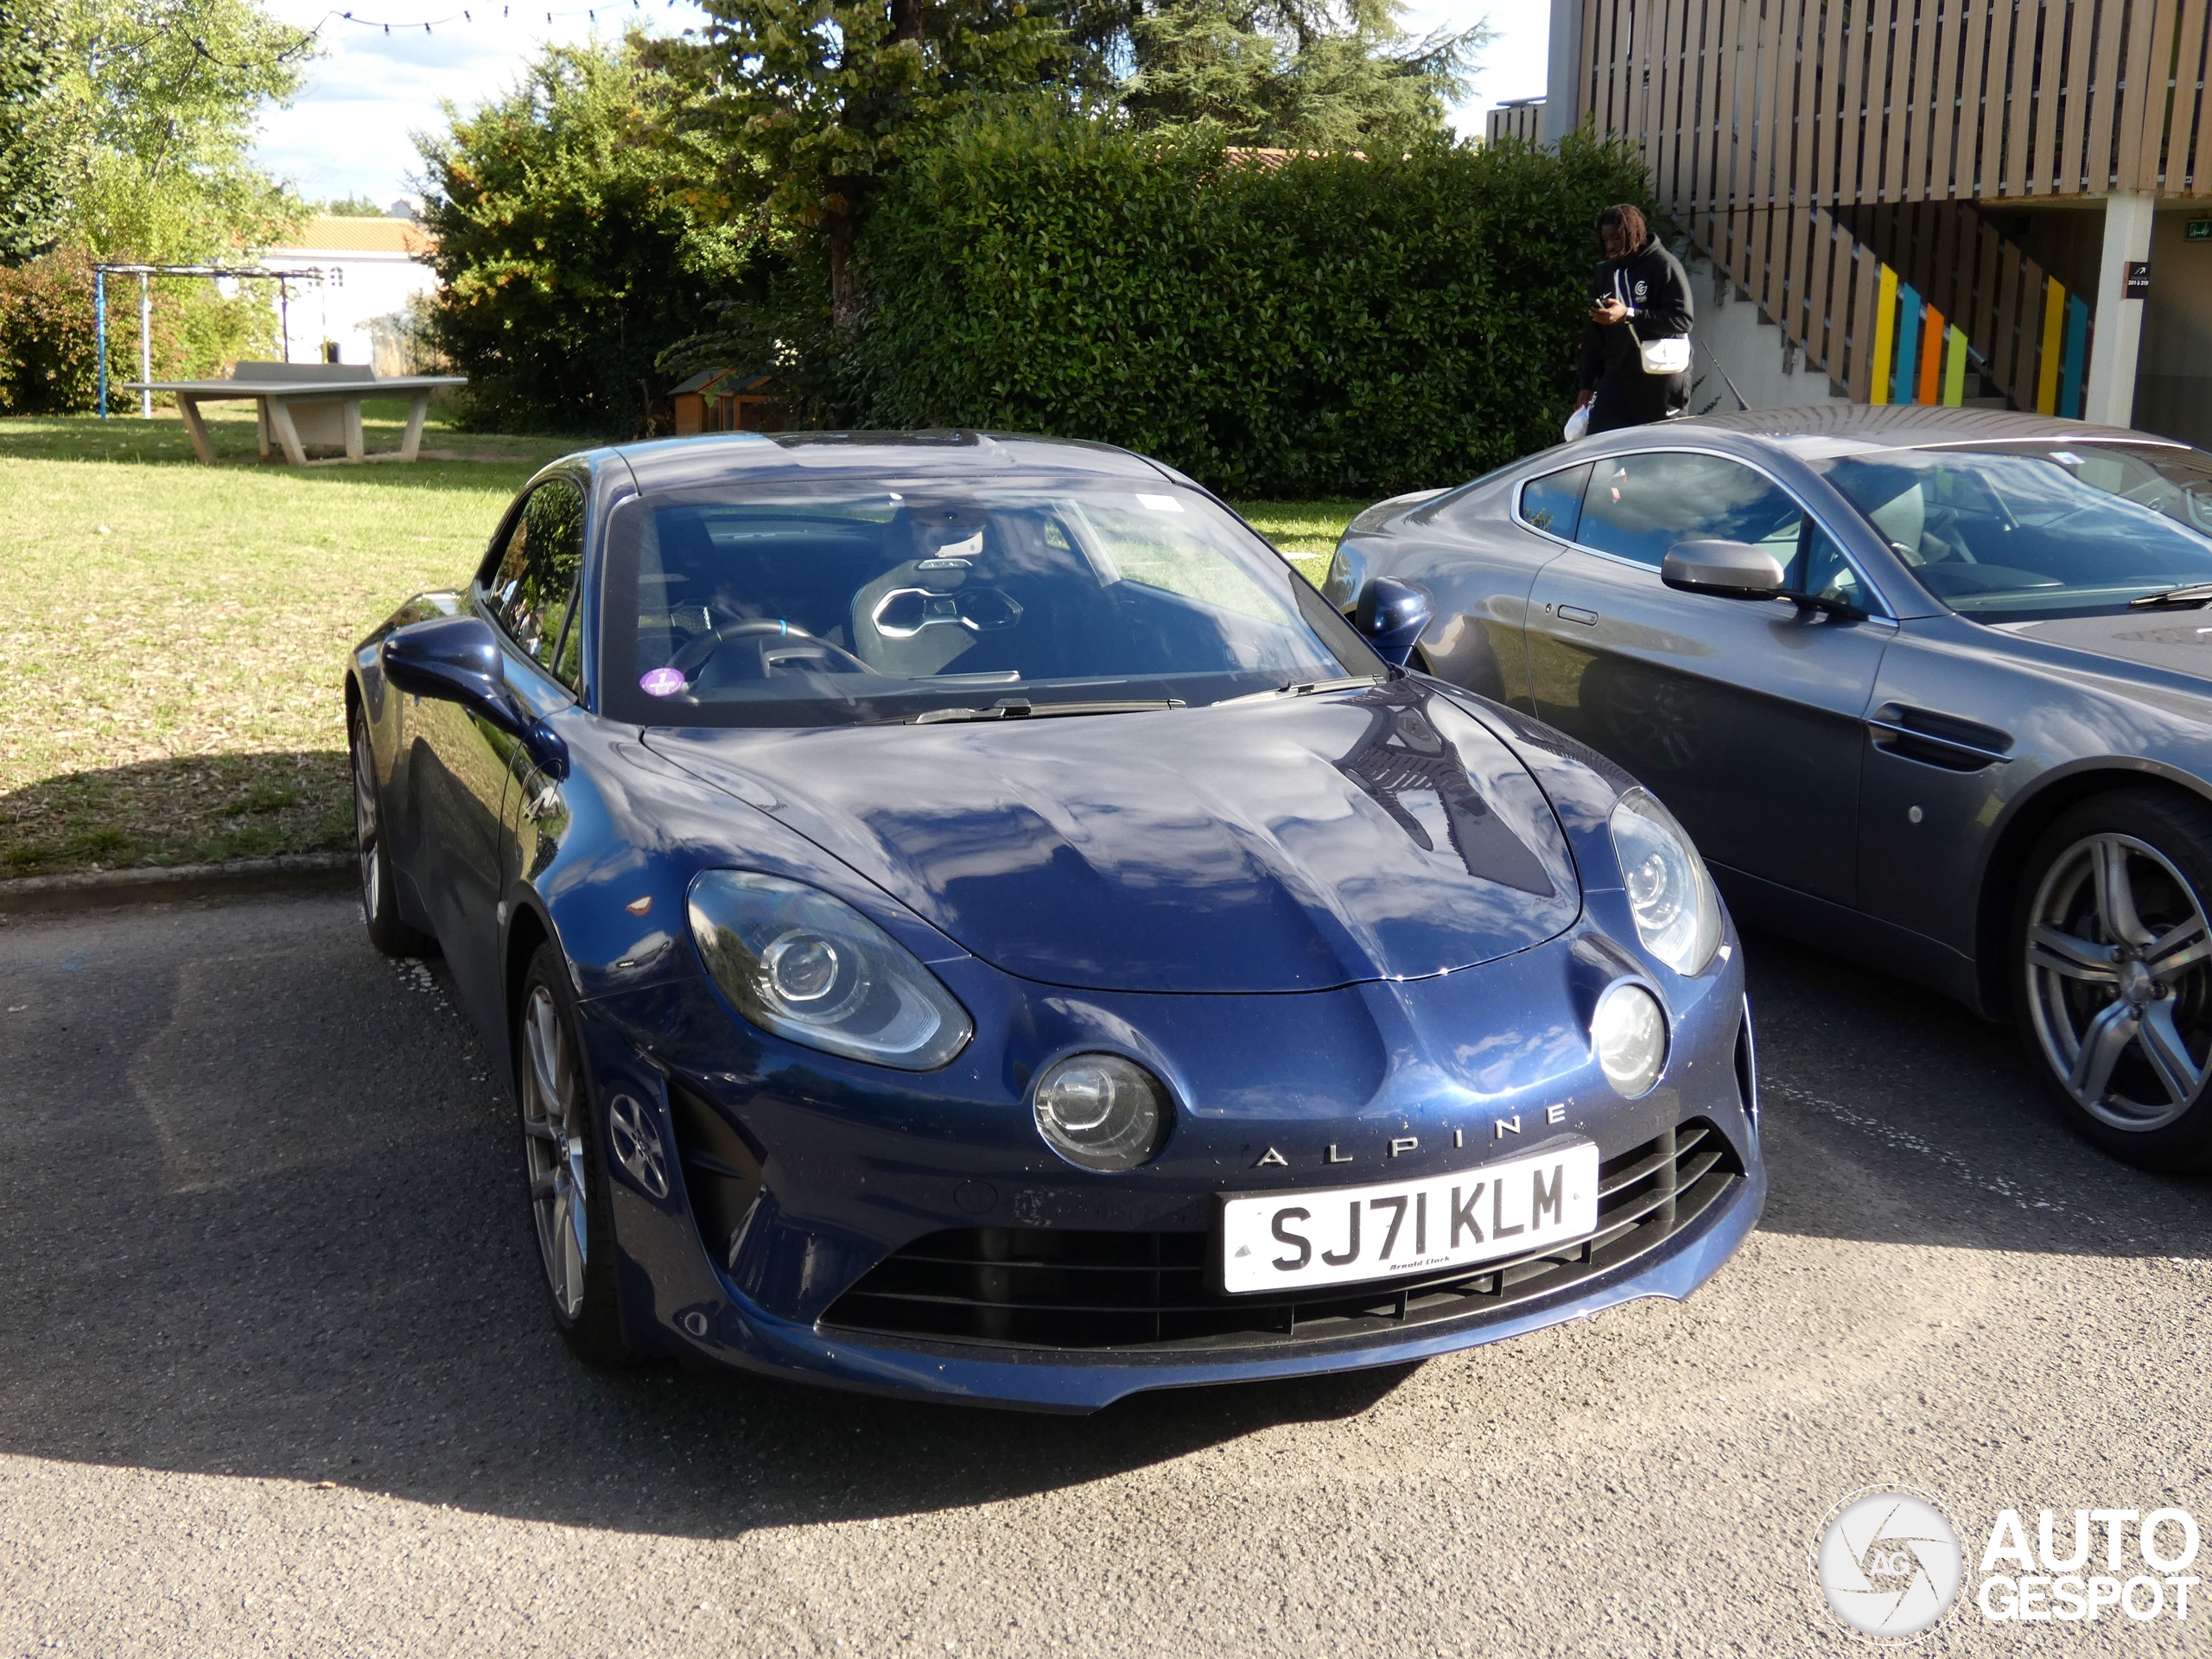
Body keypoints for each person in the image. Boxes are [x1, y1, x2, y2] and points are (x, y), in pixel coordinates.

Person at [1572, 204, 1694, 435]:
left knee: (1656, 457)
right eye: (1605, 239)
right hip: (1618, 378)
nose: (1610, 245)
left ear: (1634, 234)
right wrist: (1586, 384)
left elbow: (1683, 319)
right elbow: (1593, 334)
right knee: (1600, 449)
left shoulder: (1663, 265)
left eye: (1617, 238)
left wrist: (1629, 314)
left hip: (1660, 379)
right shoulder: (1605, 273)